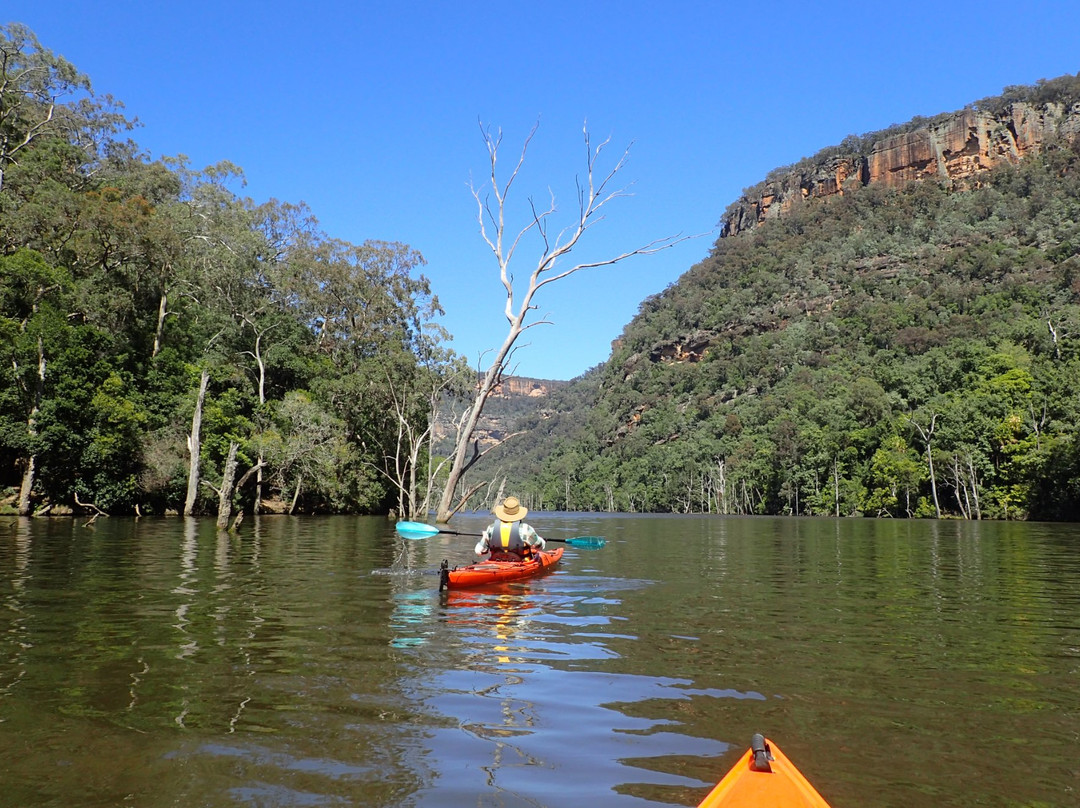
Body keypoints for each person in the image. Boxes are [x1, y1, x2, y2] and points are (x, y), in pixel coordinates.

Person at [475, 497, 546, 561]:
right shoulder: (525, 528)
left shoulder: (491, 528)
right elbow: (539, 546)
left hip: (497, 562)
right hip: (521, 564)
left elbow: (479, 551)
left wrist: (484, 537)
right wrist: (543, 541)